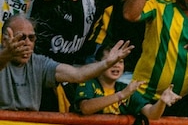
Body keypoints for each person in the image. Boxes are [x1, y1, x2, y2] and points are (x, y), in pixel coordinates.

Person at [0, 16, 133, 111]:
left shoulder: (39, 62)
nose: (27, 42)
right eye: (21, 37)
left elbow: (77, 74)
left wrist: (106, 63)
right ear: (4, 40)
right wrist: (7, 54)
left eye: (31, 37)